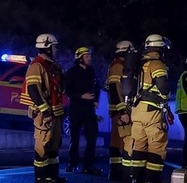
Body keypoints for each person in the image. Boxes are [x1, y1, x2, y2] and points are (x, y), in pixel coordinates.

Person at [20, 33, 67, 183]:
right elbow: (33, 89)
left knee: (54, 145)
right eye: (54, 47)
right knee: (43, 145)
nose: (56, 50)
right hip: (44, 114)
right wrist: (45, 110)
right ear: (47, 48)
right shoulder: (37, 66)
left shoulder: (51, 66)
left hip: (54, 112)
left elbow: (60, 88)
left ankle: (52, 175)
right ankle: (41, 177)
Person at [130, 34, 171, 183]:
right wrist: (166, 97)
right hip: (152, 112)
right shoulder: (157, 64)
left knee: (139, 146)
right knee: (157, 147)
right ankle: (152, 180)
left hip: (137, 111)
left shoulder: (139, 64)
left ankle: (137, 179)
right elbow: (164, 89)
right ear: (159, 48)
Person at [64, 47, 102, 175]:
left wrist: (96, 100)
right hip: (76, 108)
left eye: (89, 56)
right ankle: (72, 164)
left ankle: (88, 166)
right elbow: (67, 91)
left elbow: (97, 86)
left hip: (89, 109)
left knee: (92, 137)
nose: (90, 58)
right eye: (87, 56)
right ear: (80, 58)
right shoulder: (72, 72)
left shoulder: (91, 71)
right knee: (74, 138)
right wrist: (81, 96)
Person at [105, 41, 134, 182]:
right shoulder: (118, 66)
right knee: (125, 141)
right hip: (120, 112)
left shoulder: (116, 65)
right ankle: (123, 173)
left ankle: (116, 171)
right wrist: (123, 111)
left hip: (118, 111)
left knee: (117, 141)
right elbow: (115, 89)